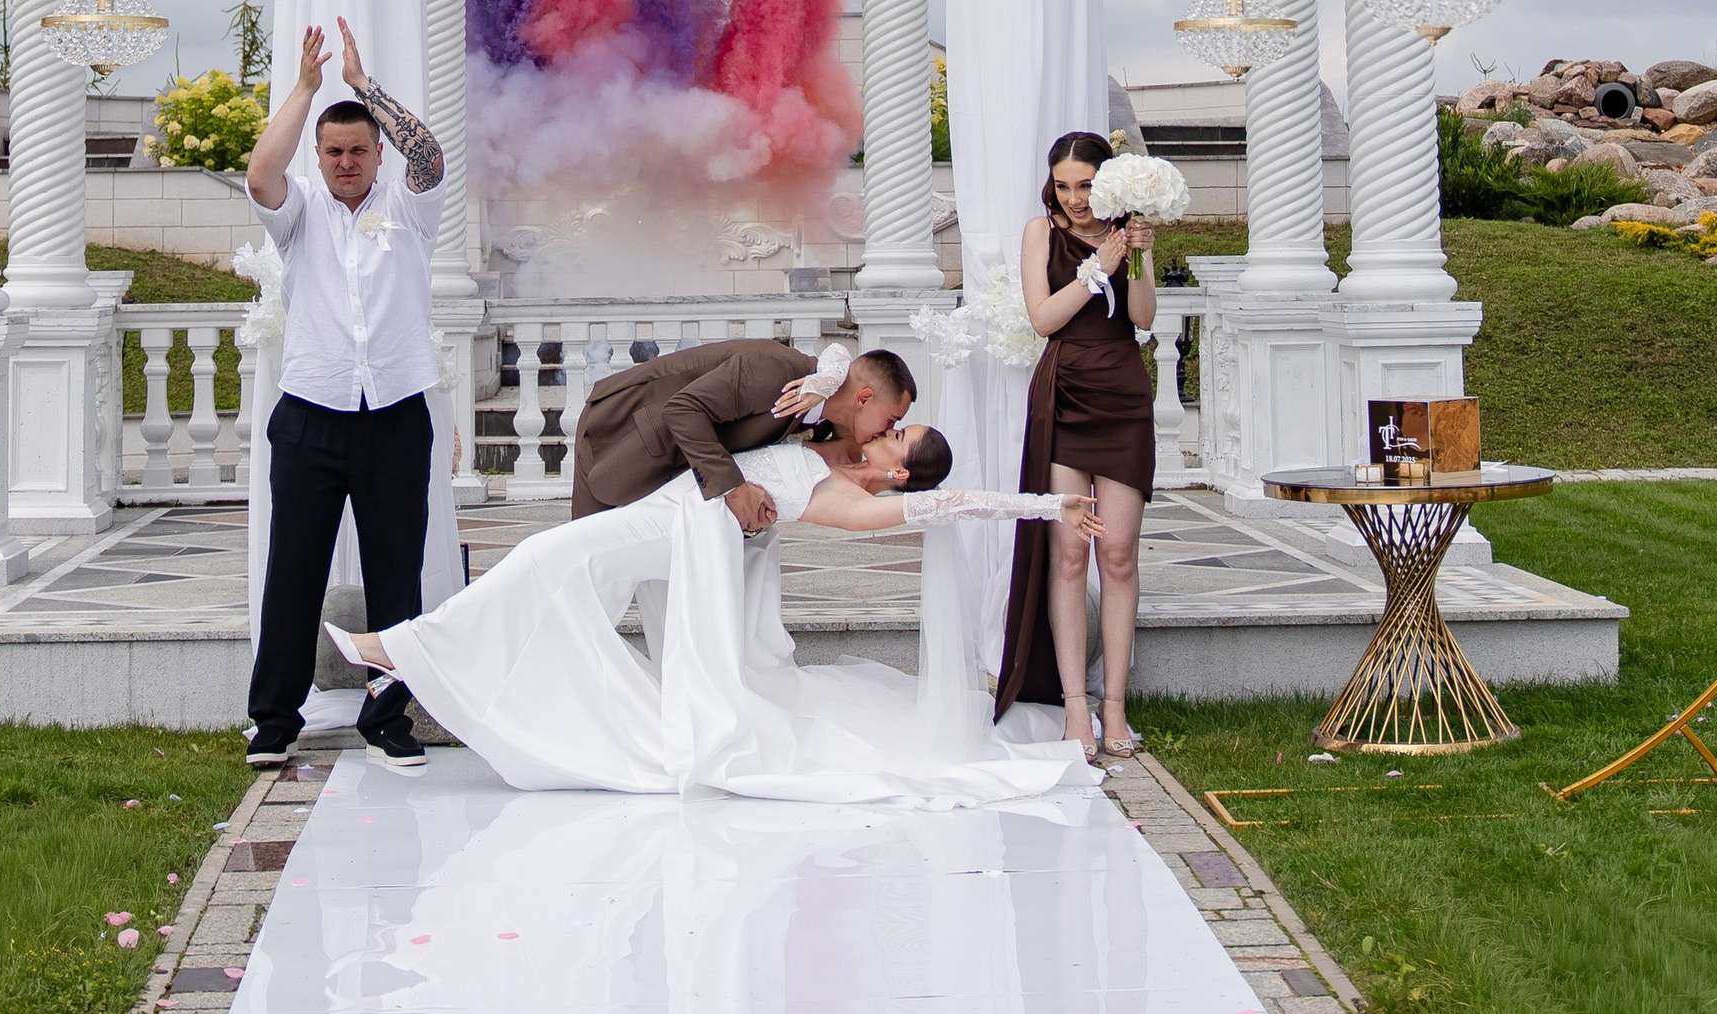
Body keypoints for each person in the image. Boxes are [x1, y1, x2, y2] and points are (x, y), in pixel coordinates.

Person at [337, 409, 1097, 805]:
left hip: (666, 532)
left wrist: (1043, 504)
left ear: (901, 474)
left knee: (540, 561)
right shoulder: (831, 449)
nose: (889, 431)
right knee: (545, 577)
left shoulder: (851, 503)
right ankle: (416, 658)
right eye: (898, 423)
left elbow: (955, 506)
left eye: (901, 437)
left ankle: (396, 650)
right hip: (664, 508)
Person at [241, 16, 444, 772]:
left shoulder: (410, 211)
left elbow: (428, 154)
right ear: (319, 157)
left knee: (399, 573)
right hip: (311, 416)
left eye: (359, 150)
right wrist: (306, 89)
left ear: (375, 153)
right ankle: (273, 720)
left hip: (394, 415)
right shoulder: (297, 216)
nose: (347, 161)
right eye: (334, 151)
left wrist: (363, 89)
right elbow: (262, 173)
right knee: (294, 567)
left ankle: (388, 717)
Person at [995, 128, 1157, 759]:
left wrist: (1136, 256)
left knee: (1116, 555)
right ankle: (1074, 712)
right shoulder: (1042, 232)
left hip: (1121, 392)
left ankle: (1114, 708)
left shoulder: (1130, 233)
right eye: (1063, 186)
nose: (1074, 199)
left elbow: (1142, 318)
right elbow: (1042, 318)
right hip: (1063, 393)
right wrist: (1099, 269)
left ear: (1108, 182)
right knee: (1067, 554)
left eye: (1086, 185)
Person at [570, 334, 915, 531]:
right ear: (864, 398)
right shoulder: (776, 370)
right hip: (619, 434)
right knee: (582, 570)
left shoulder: (821, 417)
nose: (890, 429)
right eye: (892, 420)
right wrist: (734, 490)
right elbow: (683, 409)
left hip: (670, 476)